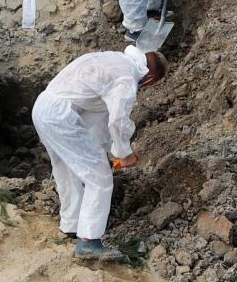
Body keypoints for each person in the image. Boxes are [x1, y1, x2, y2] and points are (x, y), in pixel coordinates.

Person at [32, 46, 168, 261]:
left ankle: (71, 224)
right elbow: (118, 120)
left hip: (43, 107)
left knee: (66, 169)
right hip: (62, 116)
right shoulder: (127, 78)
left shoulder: (112, 59)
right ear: (150, 78)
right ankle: (88, 242)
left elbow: (100, 118)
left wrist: (104, 151)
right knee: (100, 178)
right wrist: (124, 154)